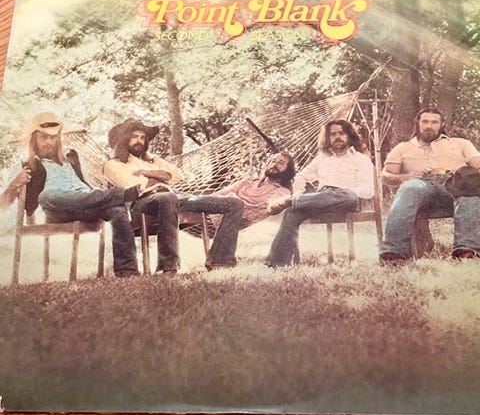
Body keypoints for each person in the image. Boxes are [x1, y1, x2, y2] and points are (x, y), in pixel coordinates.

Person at [103, 118, 296, 272]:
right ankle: (168, 266)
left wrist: (148, 173)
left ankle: (220, 261)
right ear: (123, 139)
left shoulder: (154, 161)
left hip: (176, 197)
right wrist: (160, 177)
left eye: (142, 137)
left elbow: (177, 175)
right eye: (134, 137)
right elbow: (134, 187)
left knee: (234, 203)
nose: (140, 141)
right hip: (142, 203)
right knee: (167, 197)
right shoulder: (113, 165)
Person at [20, 111, 140, 277]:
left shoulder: (71, 156)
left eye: (53, 137)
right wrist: (16, 184)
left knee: (117, 211)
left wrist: (95, 195)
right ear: (34, 139)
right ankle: (119, 195)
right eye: (43, 137)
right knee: (46, 195)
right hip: (58, 208)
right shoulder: (26, 162)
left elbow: (86, 182)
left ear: (58, 138)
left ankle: (128, 271)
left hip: (86, 202)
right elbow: (11, 197)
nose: (49, 142)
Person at [265, 119, 375, 267]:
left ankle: (292, 200)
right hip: (320, 199)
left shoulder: (361, 159)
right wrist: (298, 193)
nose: (337, 137)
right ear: (328, 138)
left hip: (346, 200)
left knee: (348, 196)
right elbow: (301, 176)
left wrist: (347, 192)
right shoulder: (322, 158)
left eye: (341, 133)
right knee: (292, 212)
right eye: (333, 134)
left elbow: (368, 189)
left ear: (349, 135)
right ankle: (276, 264)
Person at [379, 107, 480, 263]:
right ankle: (394, 253)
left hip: (454, 184)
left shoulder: (460, 143)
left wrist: (457, 172)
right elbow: (385, 176)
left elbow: (478, 166)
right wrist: (405, 177)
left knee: (470, 191)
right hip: (421, 186)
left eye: (434, 122)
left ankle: (465, 250)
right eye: (425, 121)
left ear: (442, 124)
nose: (429, 126)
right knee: (409, 187)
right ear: (417, 123)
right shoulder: (402, 147)